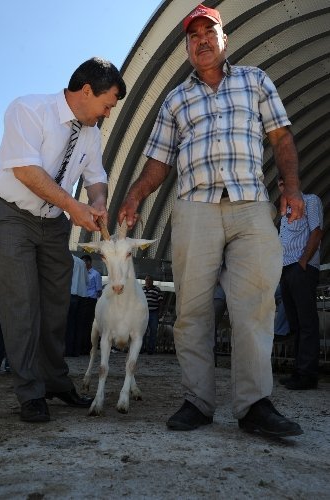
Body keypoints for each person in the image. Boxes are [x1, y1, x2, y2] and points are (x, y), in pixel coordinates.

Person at [118, 4, 305, 437]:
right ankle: (197, 402)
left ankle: (254, 404)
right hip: (194, 208)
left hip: (250, 205)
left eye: (210, 32)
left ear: (225, 40)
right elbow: (158, 161)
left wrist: (292, 187)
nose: (201, 40)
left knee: (254, 305)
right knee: (193, 310)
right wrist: (134, 195)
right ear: (186, 47)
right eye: (193, 35)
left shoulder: (255, 80)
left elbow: (281, 136)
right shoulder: (175, 99)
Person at [0, 57, 126, 422]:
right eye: (107, 104)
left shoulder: (91, 132)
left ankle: (55, 381)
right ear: (87, 91)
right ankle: (29, 392)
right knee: (21, 305)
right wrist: (73, 205)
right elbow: (26, 170)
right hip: (11, 216)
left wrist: (98, 200)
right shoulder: (28, 109)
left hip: (53, 224)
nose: (107, 114)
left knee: (57, 305)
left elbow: (95, 175)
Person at [278, 177, 323, 389]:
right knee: (295, 324)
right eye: (279, 184)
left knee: (307, 323)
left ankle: (308, 375)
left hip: (300, 269)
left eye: (285, 183)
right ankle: (299, 372)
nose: (282, 188)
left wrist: (303, 262)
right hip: (286, 270)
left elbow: (316, 231)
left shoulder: (310, 201)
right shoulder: (284, 212)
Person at [65, 255, 89, 357]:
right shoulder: (81, 262)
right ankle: (76, 351)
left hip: (71, 294)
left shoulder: (66, 259)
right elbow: (87, 281)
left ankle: (68, 350)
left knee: (69, 324)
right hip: (82, 297)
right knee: (79, 325)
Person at [80, 254, 102, 355]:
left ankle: (88, 347)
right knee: (82, 324)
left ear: (88, 262)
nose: (82, 264)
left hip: (91, 301)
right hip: (82, 299)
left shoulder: (96, 274)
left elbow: (99, 291)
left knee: (88, 325)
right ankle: (81, 345)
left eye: (83, 262)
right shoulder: (82, 273)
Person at [142, 275, 163, 354]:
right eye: (146, 280)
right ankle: (141, 349)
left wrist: (160, 312)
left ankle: (151, 350)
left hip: (154, 313)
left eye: (149, 280)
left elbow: (160, 302)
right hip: (144, 313)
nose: (147, 281)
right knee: (142, 331)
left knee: (153, 332)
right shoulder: (142, 289)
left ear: (152, 281)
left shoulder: (157, 289)